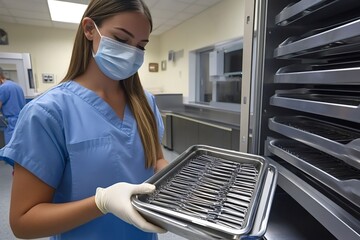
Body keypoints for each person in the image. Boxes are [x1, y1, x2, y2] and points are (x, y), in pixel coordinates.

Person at [0, 0, 169, 239]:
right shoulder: (48, 112)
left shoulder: (145, 103)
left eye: (141, 46)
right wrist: (101, 203)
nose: (132, 53)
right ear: (90, 29)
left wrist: (179, 181)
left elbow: (157, 159)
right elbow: (23, 222)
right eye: (121, 40)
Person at [0, 66, 26, 166]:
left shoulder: (3, 88)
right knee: (21, 151)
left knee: (12, 153)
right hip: (22, 120)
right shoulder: (16, 86)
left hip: (11, 123)